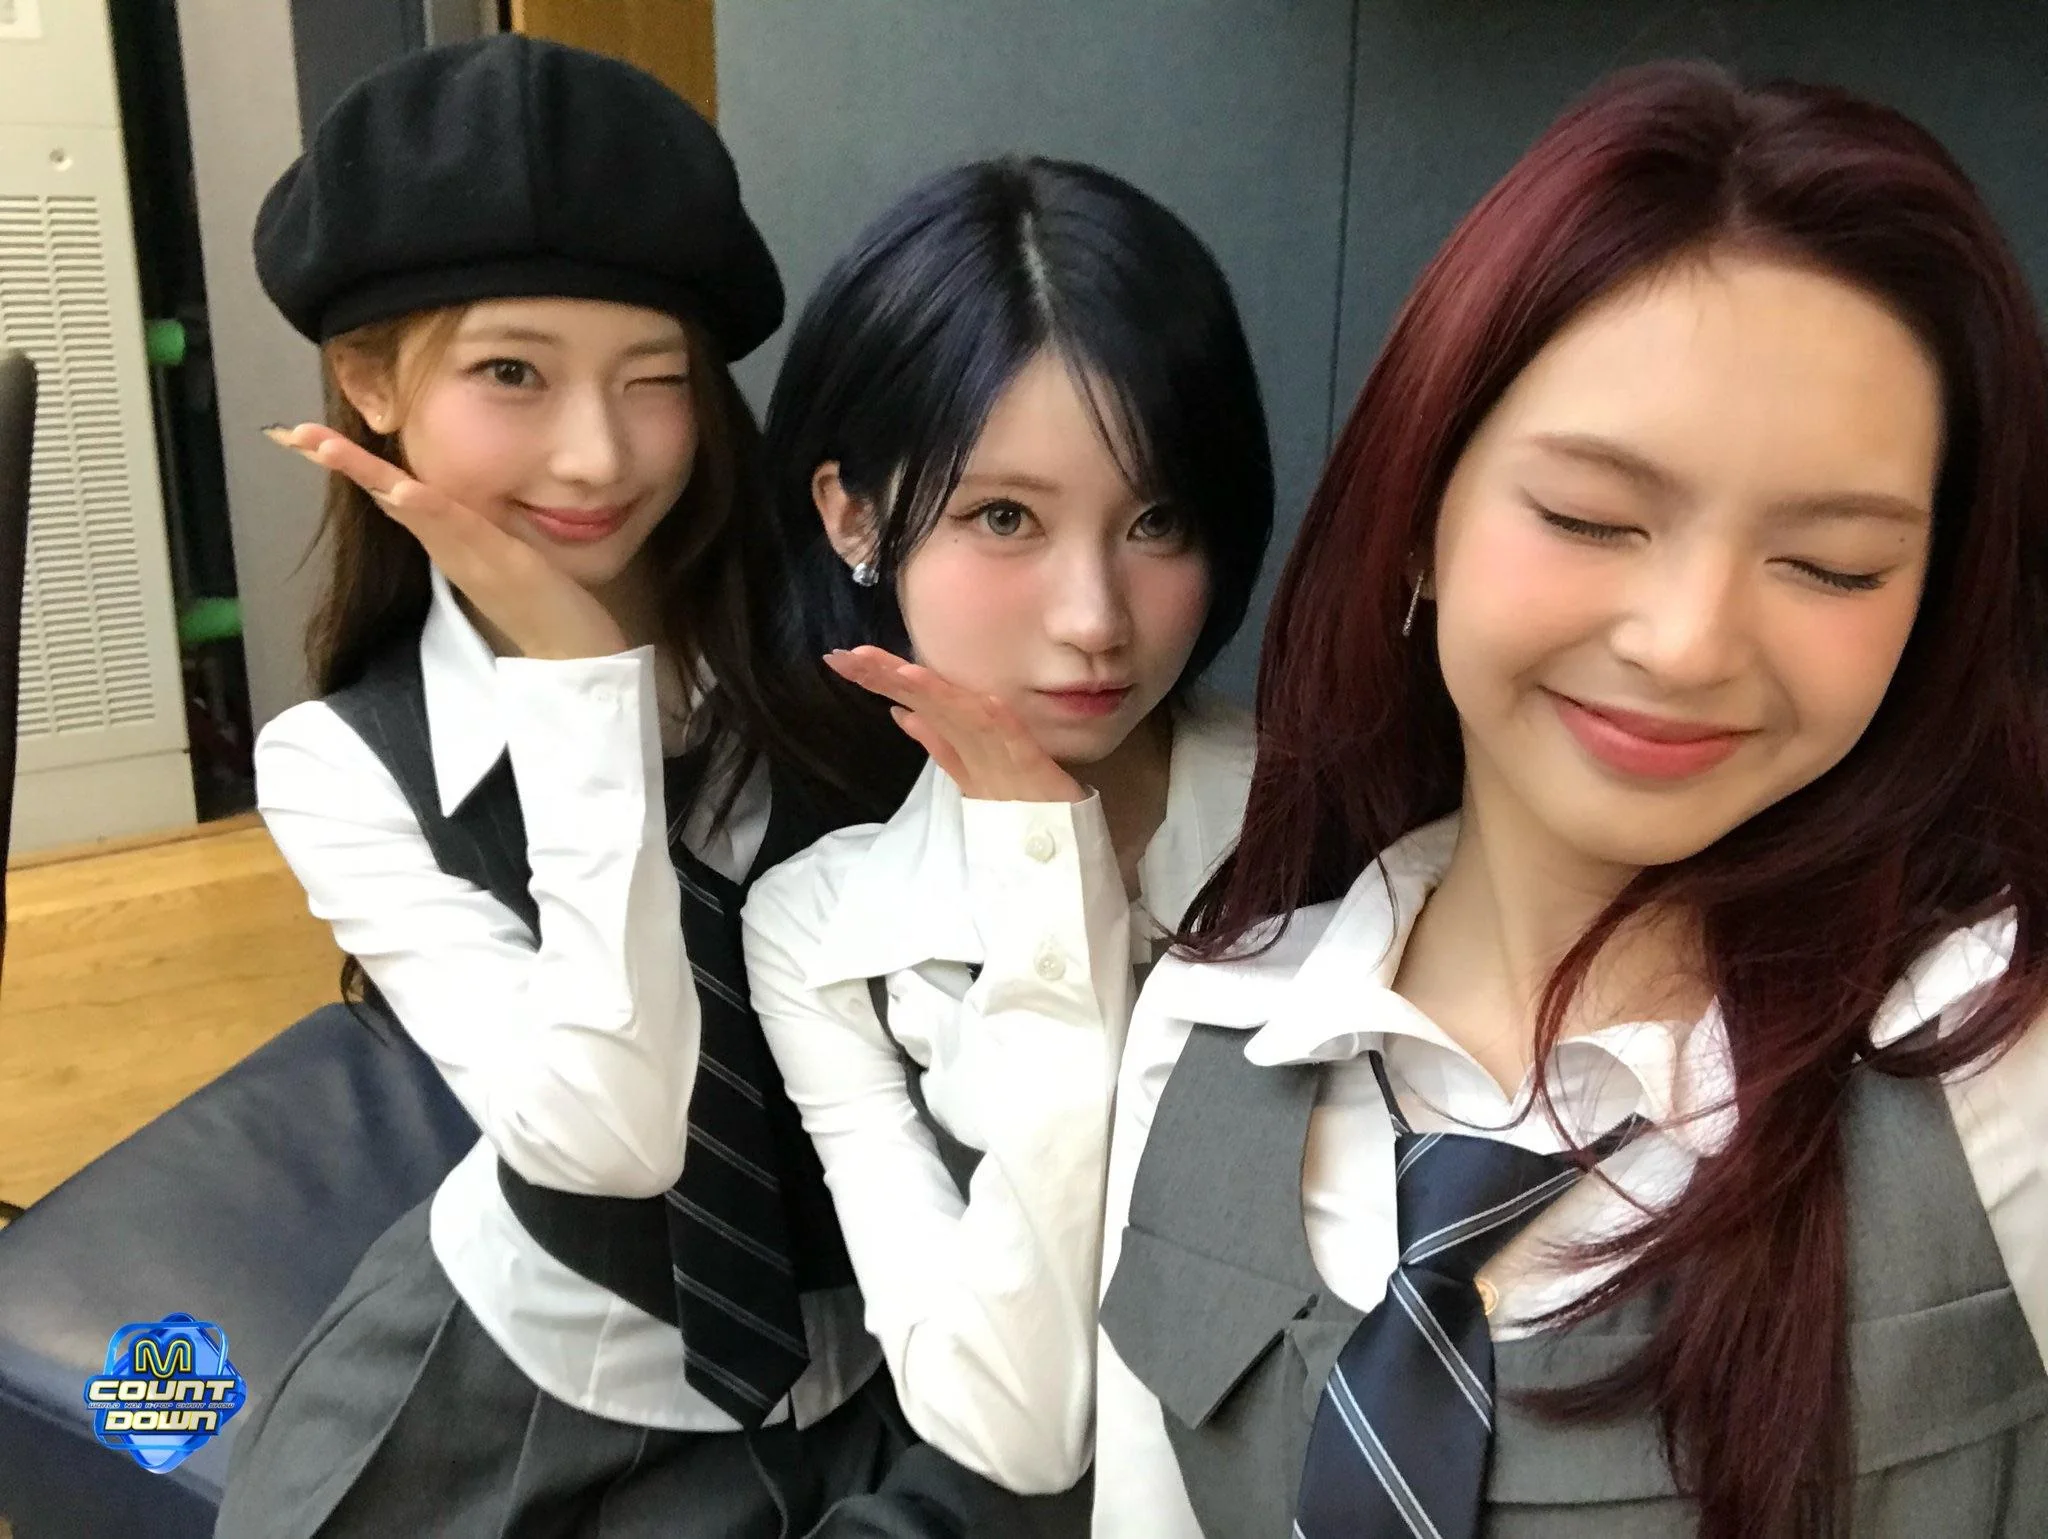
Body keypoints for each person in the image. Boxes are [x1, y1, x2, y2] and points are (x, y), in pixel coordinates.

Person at [1096, 62, 2048, 1538]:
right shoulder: (1212, 1027)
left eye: (1833, 564)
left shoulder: (1988, 1046)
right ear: (1418, 514)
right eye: (1591, 518)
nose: (1689, 641)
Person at [216, 35, 927, 1537]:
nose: (597, 455)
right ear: (368, 381)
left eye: (654, 379)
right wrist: (578, 686)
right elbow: (612, 1140)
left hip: (900, 1376)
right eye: (512, 373)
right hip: (518, 1377)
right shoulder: (341, 762)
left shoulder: (855, 644)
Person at [740, 157, 1273, 1533]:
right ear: (854, 518)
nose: (1095, 617)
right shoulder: (823, 930)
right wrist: (1045, 875)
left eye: (1157, 520)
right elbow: (1020, 1426)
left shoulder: (1346, 836)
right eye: (1005, 518)